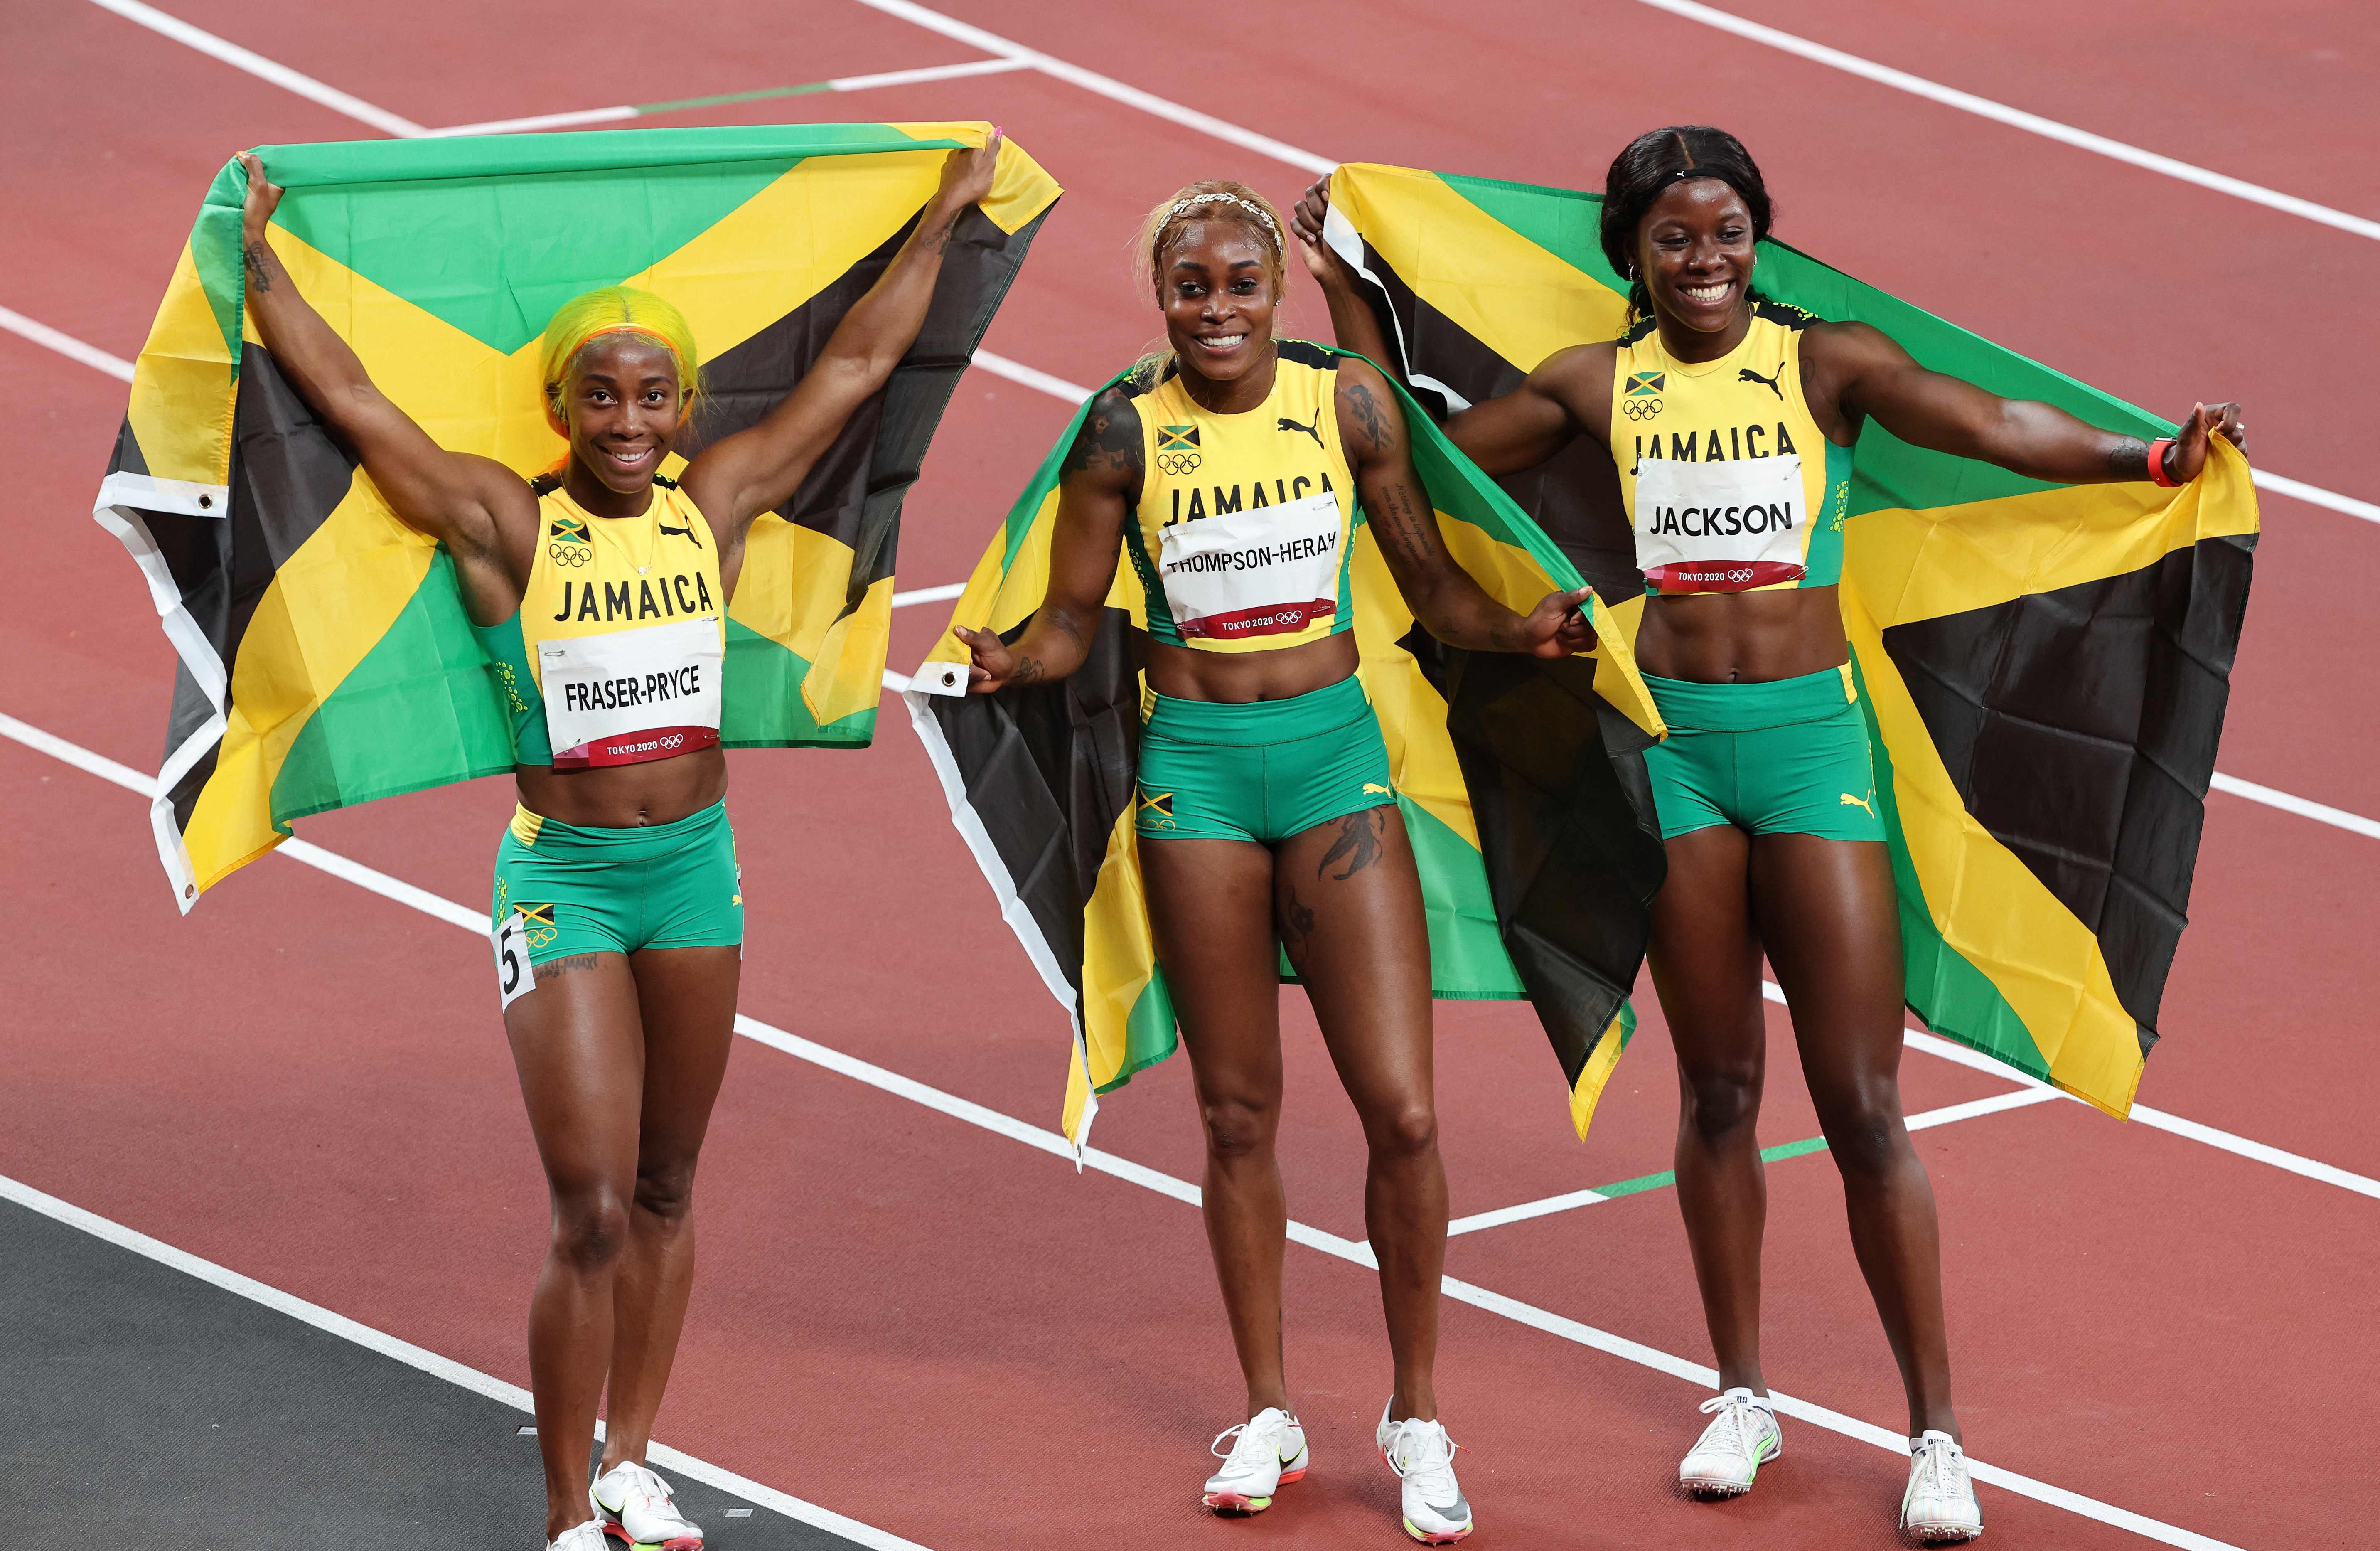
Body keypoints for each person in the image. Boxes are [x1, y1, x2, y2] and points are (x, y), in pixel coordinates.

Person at [1294, 127, 2243, 1543]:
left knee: (1863, 1103)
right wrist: (1349, 296)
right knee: (1721, 1090)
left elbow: (1985, 422)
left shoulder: (1825, 365)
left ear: (1760, 237)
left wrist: (2147, 453)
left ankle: (1937, 1434)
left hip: (1811, 752)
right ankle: (1740, 1393)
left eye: (1728, 230)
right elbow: (1408, 469)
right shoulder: (1594, 386)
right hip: (1674, 754)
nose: (1705, 259)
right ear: (1633, 255)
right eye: (1675, 238)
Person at [235, 136, 1002, 1551]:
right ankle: (564, 1512)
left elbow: (850, 375)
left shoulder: (713, 509)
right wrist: (259, 263)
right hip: (568, 883)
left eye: (655, 395)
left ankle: (634, 1460)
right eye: (604, 394)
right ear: (564, 405)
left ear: (687, 406)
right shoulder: (507, 522)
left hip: (696, 873)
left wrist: (946, 219)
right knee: (590, 1205)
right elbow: (351, 401)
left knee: (666, 1184)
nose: (630, 418)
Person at [951, 180, 1598, 1546]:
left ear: (1276, 289)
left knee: (1405, 1112)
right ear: (1162, 299)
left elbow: (1428, 585)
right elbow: (1076, 621)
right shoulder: (1123, 433)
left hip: (1331, 769)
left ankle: (1417, 1412)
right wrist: (1013, 657)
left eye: (1243, 281)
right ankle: (1268, 1407)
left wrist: (1518, 633)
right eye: (1192, 286)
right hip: (1196, 773)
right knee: (1237, 1115)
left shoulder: (1348, 405)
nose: (1220, 307)